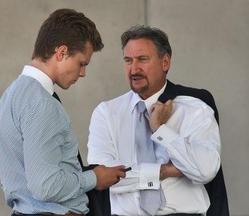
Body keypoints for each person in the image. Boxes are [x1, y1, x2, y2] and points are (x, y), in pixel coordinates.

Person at [0, 8, 126, 216]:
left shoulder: (11, 95)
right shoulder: (41, 104)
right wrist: (95, 178)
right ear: (61, 52)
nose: (83, 73)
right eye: (81, 64)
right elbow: (46, 186)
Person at [87, 25, 227, 216]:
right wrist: (165, 171)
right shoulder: (106, 113)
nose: (134, 69)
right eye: (128, 61)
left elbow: (205, 170)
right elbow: (102, 178)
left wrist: (160, 130)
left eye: (142, 59)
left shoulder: (195, 109)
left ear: (165, 62)